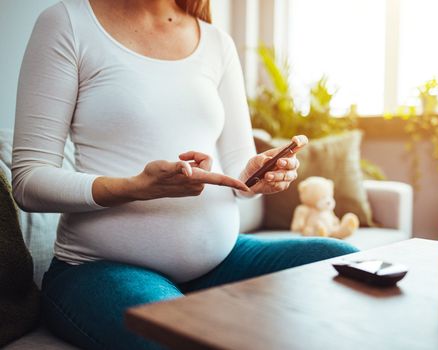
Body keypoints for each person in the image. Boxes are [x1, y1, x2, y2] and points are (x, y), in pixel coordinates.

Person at [12, 0, 358, 348]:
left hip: (221, 264)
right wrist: (135, 187)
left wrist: (255, 175)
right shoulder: (68, 23)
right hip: (97, 268)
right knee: (180, 335)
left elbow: (240, 162)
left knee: (346, 265)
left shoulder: (216, 42)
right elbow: (28, 182)